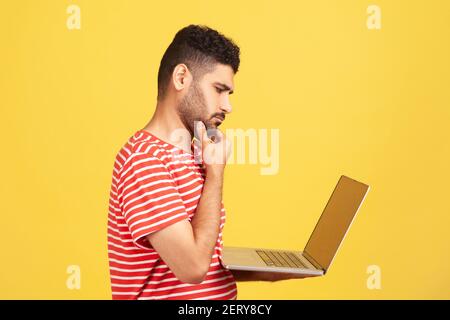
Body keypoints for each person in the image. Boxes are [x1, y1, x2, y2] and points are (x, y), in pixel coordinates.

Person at [107, 24, 313, 300]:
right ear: (181, 78)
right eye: (219, 89)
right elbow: (192, 267)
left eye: (229, 94)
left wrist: (265, 269)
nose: (228, 106)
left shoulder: (192, 152)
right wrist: (215, 173)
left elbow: (196, 252)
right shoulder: (144, 160)